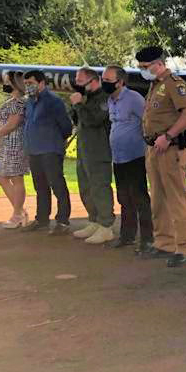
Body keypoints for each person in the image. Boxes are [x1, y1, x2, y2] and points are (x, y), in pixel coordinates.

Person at [136, 46, 186, 268]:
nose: (142, 71)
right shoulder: (155, 86)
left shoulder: (175, 84)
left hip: (170, 148)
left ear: (158, 64)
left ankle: (185, 248)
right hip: (154, 147)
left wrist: (169, 135)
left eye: (145, 67)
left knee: (176, 198)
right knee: (158, 197)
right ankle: (164, 242)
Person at [103, 65, 152, 251]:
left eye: (108, 80)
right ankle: (127, 235)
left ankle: (147, 238)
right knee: (123, 197)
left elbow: (147, 121)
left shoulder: (134, 99)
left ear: (120, 81)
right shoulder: (110, 100)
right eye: (104, 80)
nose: (104, 83)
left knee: (140, 197)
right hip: (118, 157)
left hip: (135, 156)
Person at [20, 70, 72, 235]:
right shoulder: (29, 102)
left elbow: (66, 127)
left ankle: (62, 221)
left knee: (57, 185)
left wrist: (56, 141)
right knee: (40, 186)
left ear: (42, 83)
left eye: (31, 83)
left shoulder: (53, 101)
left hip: (50, 149)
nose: (28, 86)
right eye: (26, 84)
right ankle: (42, 219)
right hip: (34, 150)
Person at [69, 67, 116, 245]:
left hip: (99, 150)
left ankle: (106, 226)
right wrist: (76, 106)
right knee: (85, 187)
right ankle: (94, 220)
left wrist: (79, 105)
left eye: (80, 82)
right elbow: (78, 120)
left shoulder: (104, 98)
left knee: (99, 187)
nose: (77, 85)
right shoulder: (86, 98)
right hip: (84, 149)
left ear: (93, 81)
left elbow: (93, 120)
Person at [0, 72, 29, 229]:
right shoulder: (13, 101)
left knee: (16, 177)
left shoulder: (18, 103)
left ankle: (17, 215)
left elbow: (13, 123)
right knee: (1, 177)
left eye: (7, 81)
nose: (4, 83)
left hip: (15, 143)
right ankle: (20, 211)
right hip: (6, 143)